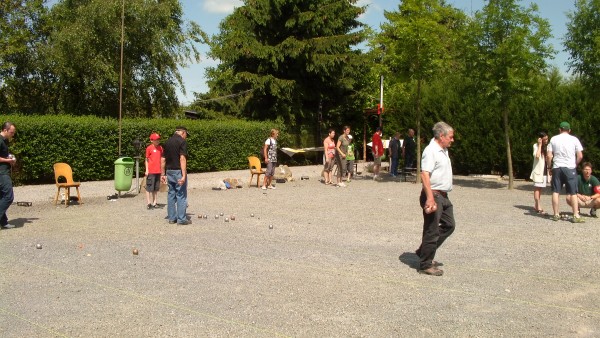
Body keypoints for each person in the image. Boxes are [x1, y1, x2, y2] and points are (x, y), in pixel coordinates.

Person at [415, 122, 455, 276]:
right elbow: (425, 174)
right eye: (450, 137)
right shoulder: (430, 150)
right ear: (441, 136)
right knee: (431, 230)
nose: (452, 140)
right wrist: (430, 199)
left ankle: (424, 251)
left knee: (449, 225)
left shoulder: (443, 150)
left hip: (443, 196)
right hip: (434, 195)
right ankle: (425, 264)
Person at [547, 121, 584, 223]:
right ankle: (576, 215)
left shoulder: (554, 139)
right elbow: (580, 155)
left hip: (557, 167)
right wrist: (575, 164)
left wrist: (549, 167)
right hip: (570, 167)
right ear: (569, 130)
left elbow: (549, 156)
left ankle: (556, 214)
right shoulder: (574, 139)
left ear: (559, 129)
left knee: (555, 191)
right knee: (573, 193)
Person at [161, 126, 190, 225]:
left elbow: (163, 159)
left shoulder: (167, 142)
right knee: (181, 195)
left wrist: (162, 174)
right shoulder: (182, 142)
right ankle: (181, 219)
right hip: (178, 171)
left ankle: (172, 218)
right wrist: (183, 174)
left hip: (169, 171)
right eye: (186, 134)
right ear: (183, 133)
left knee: (171, 194)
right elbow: (182, 158)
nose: (186, 137)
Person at [0, 122, 17, 229]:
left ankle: (4, 222)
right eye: (11, 132)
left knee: (1, 196)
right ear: (5, 130)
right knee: (8, 196)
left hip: (3, 170)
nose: (12, 135)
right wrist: (8, 160)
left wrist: (10, 158)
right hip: (1, 173)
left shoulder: (4, 141)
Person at [530, 132, 549, 214]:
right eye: (545, 139)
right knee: (537, 189)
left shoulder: (547, 147)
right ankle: (538, 206)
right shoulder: (536, 146)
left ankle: (536, 205)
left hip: (544, 171)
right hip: (538, 172)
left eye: (547, 139)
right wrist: (540, 145)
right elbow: (537, 156)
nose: (546, 141)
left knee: (540, 189)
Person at [145, 132, 163, 210]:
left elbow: (162, 159)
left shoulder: (161, 148)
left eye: (158, 139)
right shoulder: (149, 148)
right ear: (151, 140)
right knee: (149, 187)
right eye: (156, 140)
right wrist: (147, 170)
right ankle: (148, 203)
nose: (157, 141)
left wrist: (162, 171)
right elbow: (146, 159)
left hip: (158, 170)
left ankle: (155, 202)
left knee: (156, 187)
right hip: (151, 170)